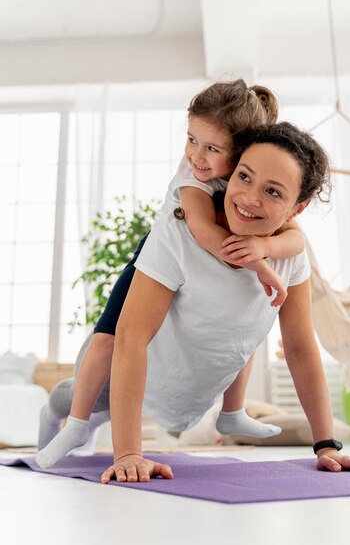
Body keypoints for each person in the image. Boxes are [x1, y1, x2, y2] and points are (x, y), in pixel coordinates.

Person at [40, 122, 350, 482]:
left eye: (272, 191)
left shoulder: (290, 258)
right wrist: (129, 453)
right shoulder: (179, 232)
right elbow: (130, 336)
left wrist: (327, 446)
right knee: (74, 401)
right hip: (124, 374)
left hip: (189, 395)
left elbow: (301, 349)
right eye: (244, 177)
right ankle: (51, 414)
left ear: (297, 208)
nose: (250, 198)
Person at [36, 81, 306, 469]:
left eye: (211, 148)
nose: (196, 155)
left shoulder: (249, 181)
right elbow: (204, 232)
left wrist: (267, 246)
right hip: (154, 261)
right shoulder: (192, 179)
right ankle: (74, 422)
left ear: (242, 152)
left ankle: (233, 410)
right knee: (105, 344)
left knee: (248, 331)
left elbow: (296, 237)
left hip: (196, 275)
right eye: (191, 139)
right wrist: (260, 263)